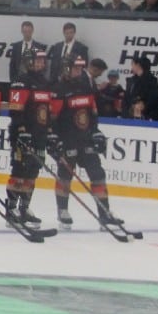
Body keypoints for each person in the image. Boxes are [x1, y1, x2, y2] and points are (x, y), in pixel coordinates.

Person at [51, 52, 121, 229]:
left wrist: (96, 132)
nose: (78, 71)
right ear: (66, 68)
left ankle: (104, 213)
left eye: (80, 68)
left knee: (98, 174)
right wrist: (54, 138)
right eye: (75, 68)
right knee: (65, 175)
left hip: (86, 139)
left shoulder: (86, 87)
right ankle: (62, 210)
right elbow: (52, 119)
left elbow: (92, 114)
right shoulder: (58, 89)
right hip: (67, 140)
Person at [3, 48, 54, 228]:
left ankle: (24, 207)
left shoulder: (45, 83)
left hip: (39, 135)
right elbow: (16, 110)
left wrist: (49, 132)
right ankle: (11, 209)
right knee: (19, 171)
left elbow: (47, 111)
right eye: (37, 60)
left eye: (42, 60)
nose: (41, 63)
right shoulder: (21, 81)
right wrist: (22, 130)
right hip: (22, 135)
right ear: (29, 61)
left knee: (33, 172)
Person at [124, 55, 158, 120]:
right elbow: (127, 97)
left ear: (138, 65)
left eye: (133, 65)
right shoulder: (131, 80)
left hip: (147, 116)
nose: (132, 68)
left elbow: (153, 98)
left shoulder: (151, 80)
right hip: (130, 115)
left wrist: (143, 106)